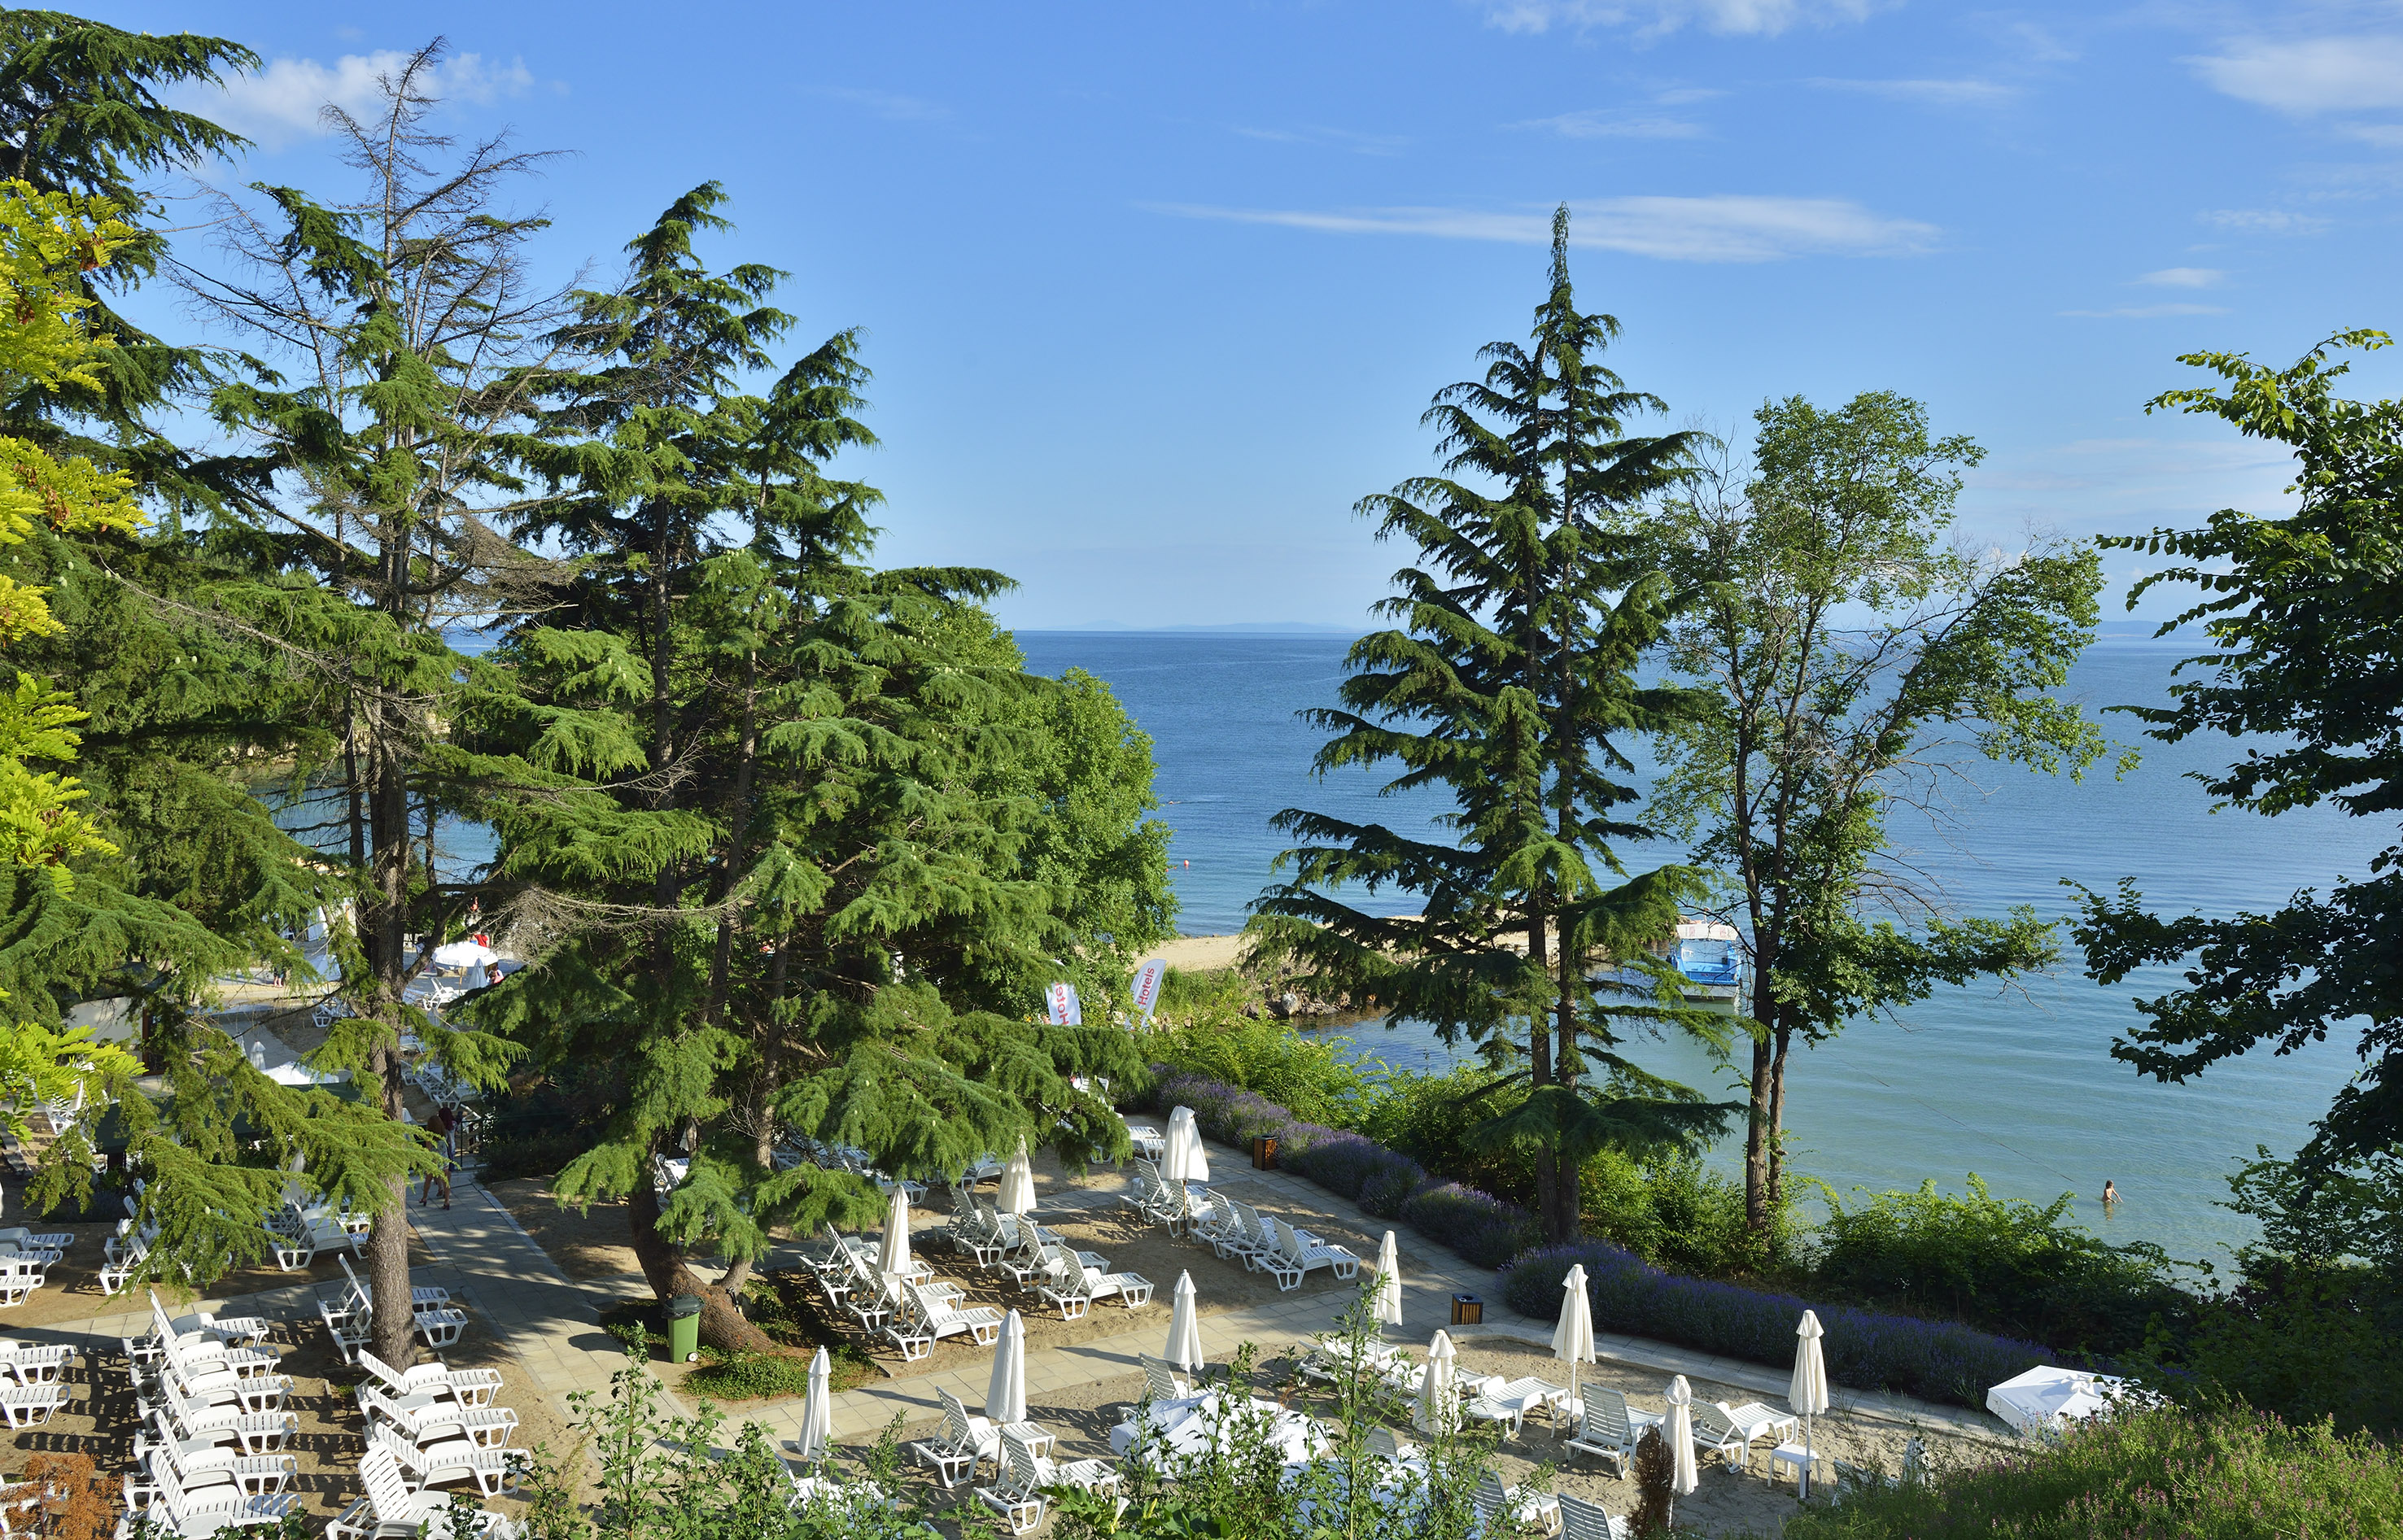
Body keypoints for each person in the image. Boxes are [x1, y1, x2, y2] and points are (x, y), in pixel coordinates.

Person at [420, 1105, 457, 1210]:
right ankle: (447, 1201)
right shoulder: (444, 1134)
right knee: (446, 1182)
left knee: (428, 1180)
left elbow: (428, 1150)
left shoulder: (429, 1137)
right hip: (444, 1160)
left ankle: (424, 1197)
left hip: (433, 1162)